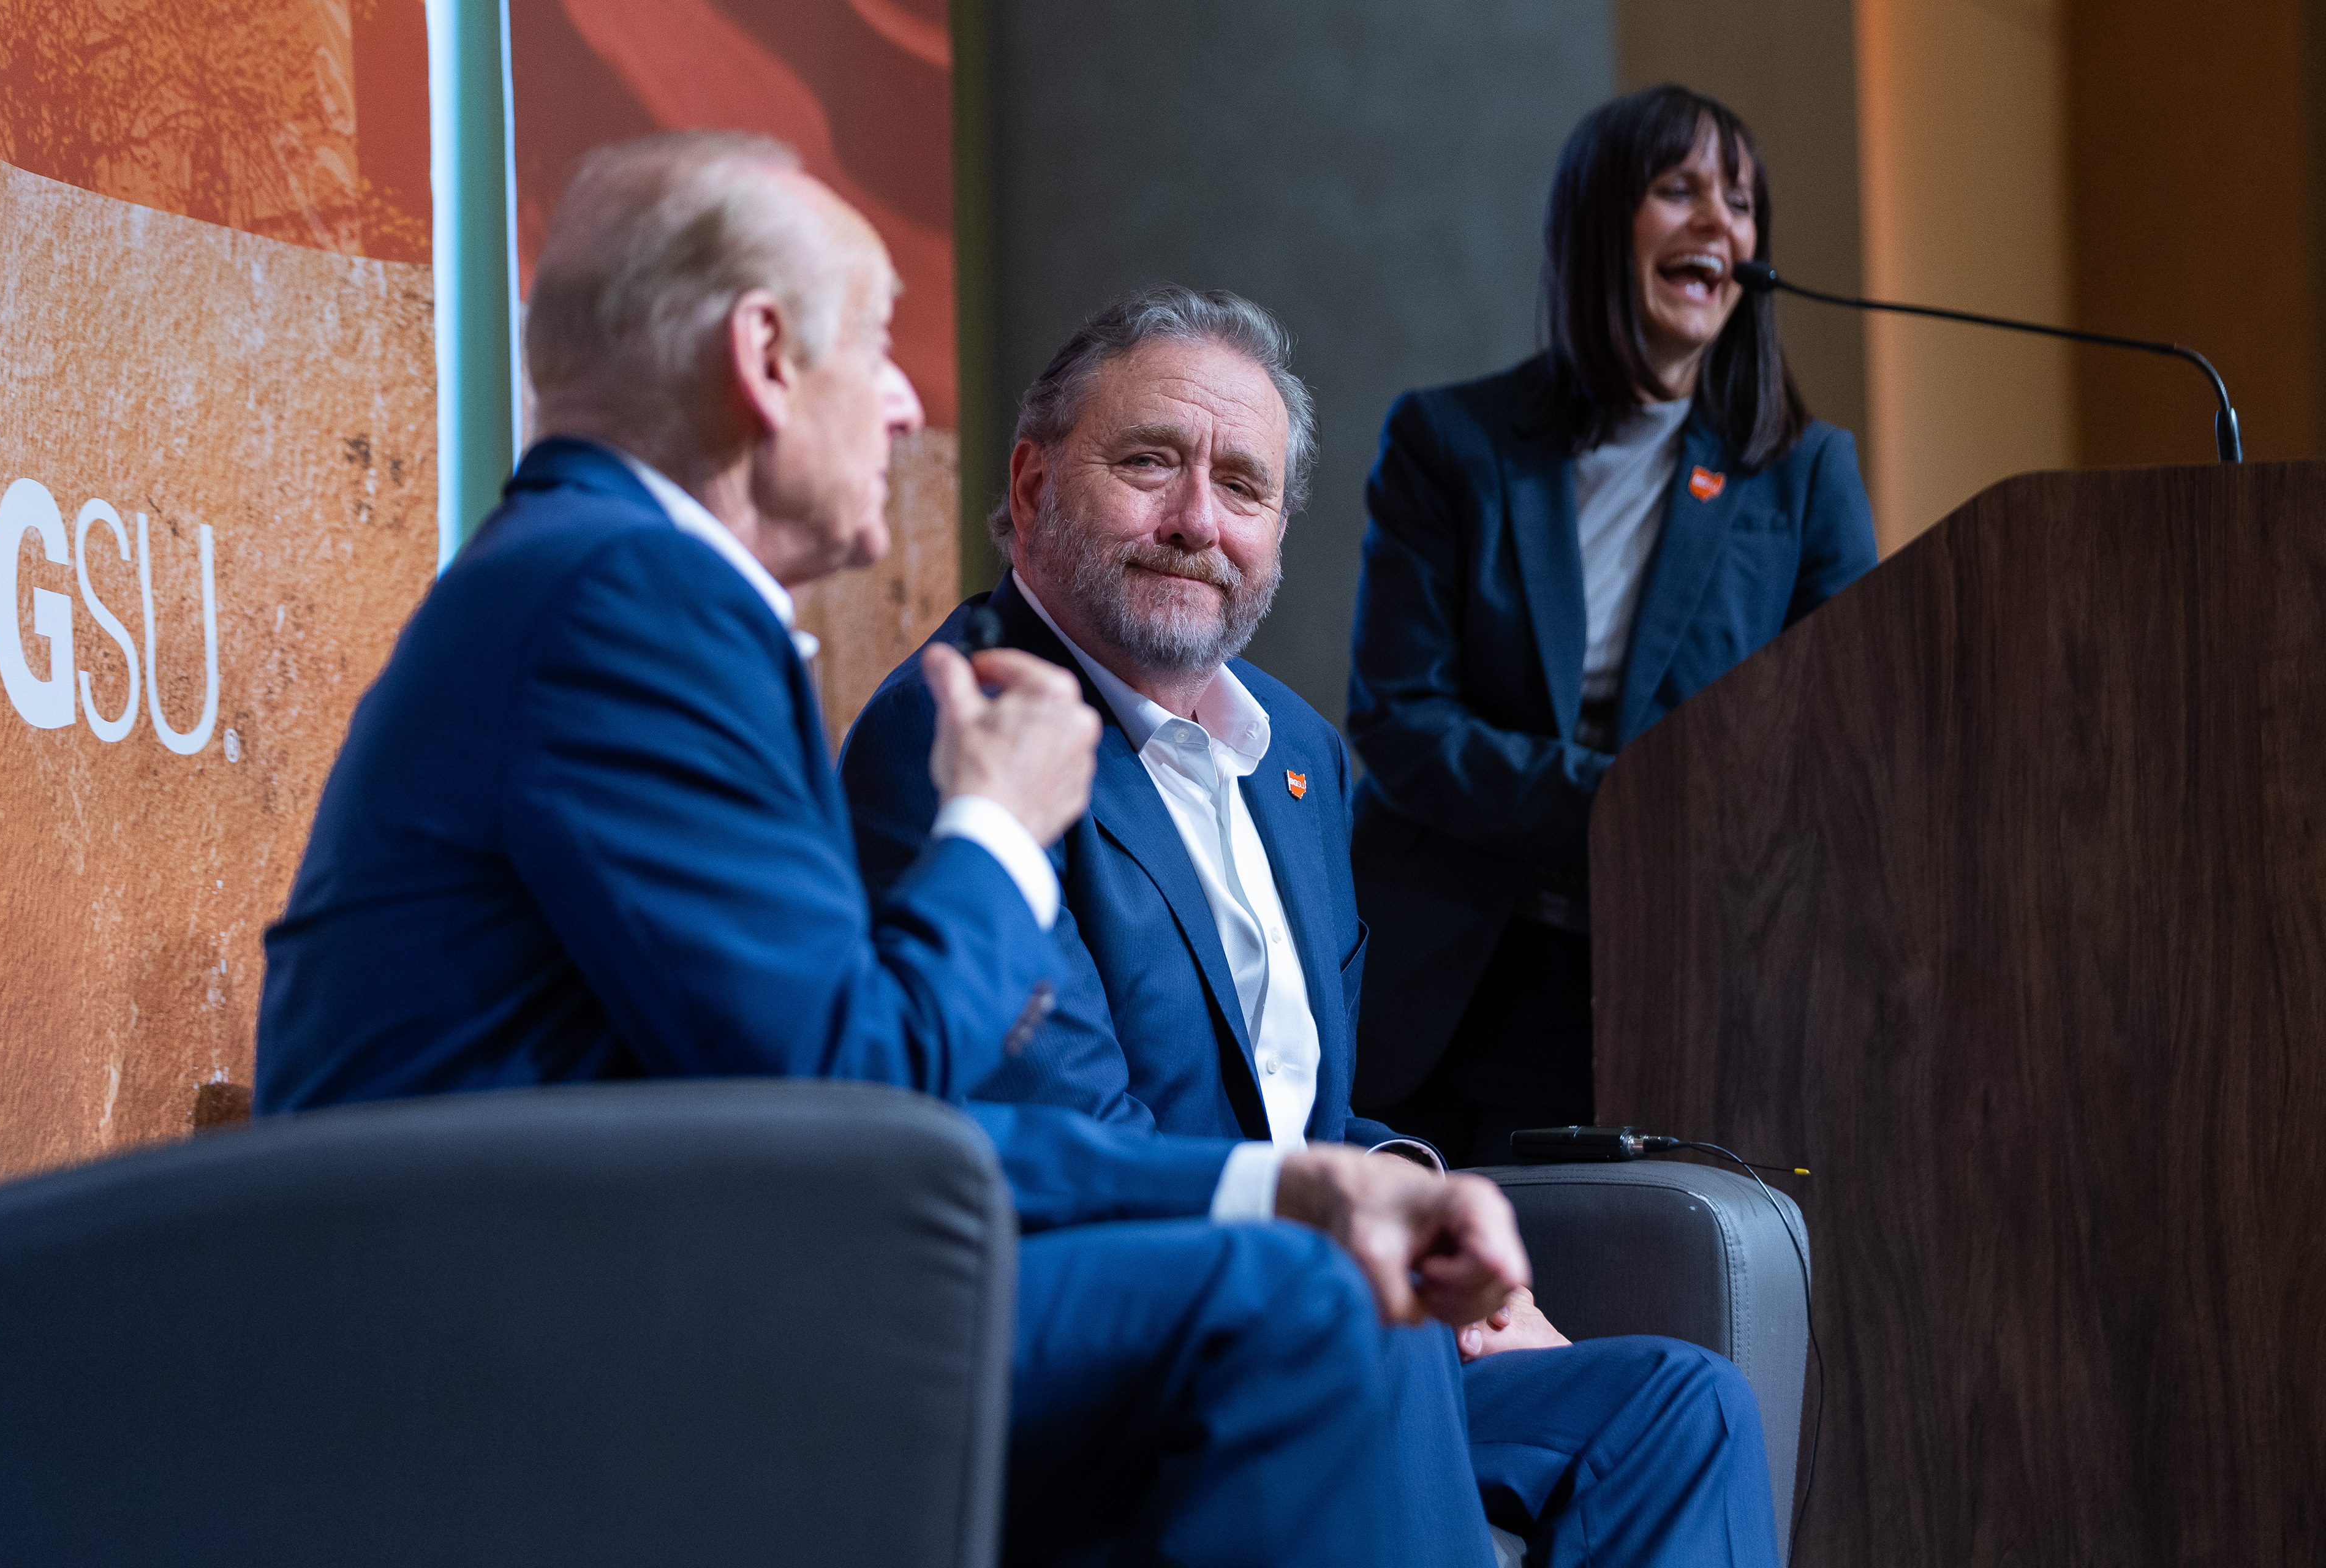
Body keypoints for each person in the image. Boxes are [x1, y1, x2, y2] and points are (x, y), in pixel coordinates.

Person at [252, 131, 1532, 1568]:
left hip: (635, 1287)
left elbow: (821, 1097)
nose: (909, 400)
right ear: (764, 358)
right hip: (532, 1357)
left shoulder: (610, 585)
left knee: (1347, 1275)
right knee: (1310, 1302)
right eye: (873, 343)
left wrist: (1286, 1182)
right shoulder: (625, 599)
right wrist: (995, 825)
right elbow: (857, 1095)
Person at [841, 285, 1785, 1566]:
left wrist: (1426, 1204)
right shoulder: (966, 731)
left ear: (1280, 532)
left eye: (1243, 486)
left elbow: (1306, 1111)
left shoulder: (1299, 756)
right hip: (1134, 1346)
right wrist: (1359, 1237)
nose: (1197, 520)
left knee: (1682, 1410)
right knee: (1367, 1311)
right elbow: (1068, 1145)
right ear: (1034, 480)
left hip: (1330, 1323)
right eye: (1150, 464)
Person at [1348, 85, 1880, 1167]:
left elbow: (1846, 745)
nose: (1719, 222)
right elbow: (1400, 721)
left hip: (1703, 981)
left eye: (1741, 202)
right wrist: (1631, 804)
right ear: (1599, 225)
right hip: (1461, 983)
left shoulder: (1804, 473)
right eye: (1680, 189)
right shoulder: (1449, 443)